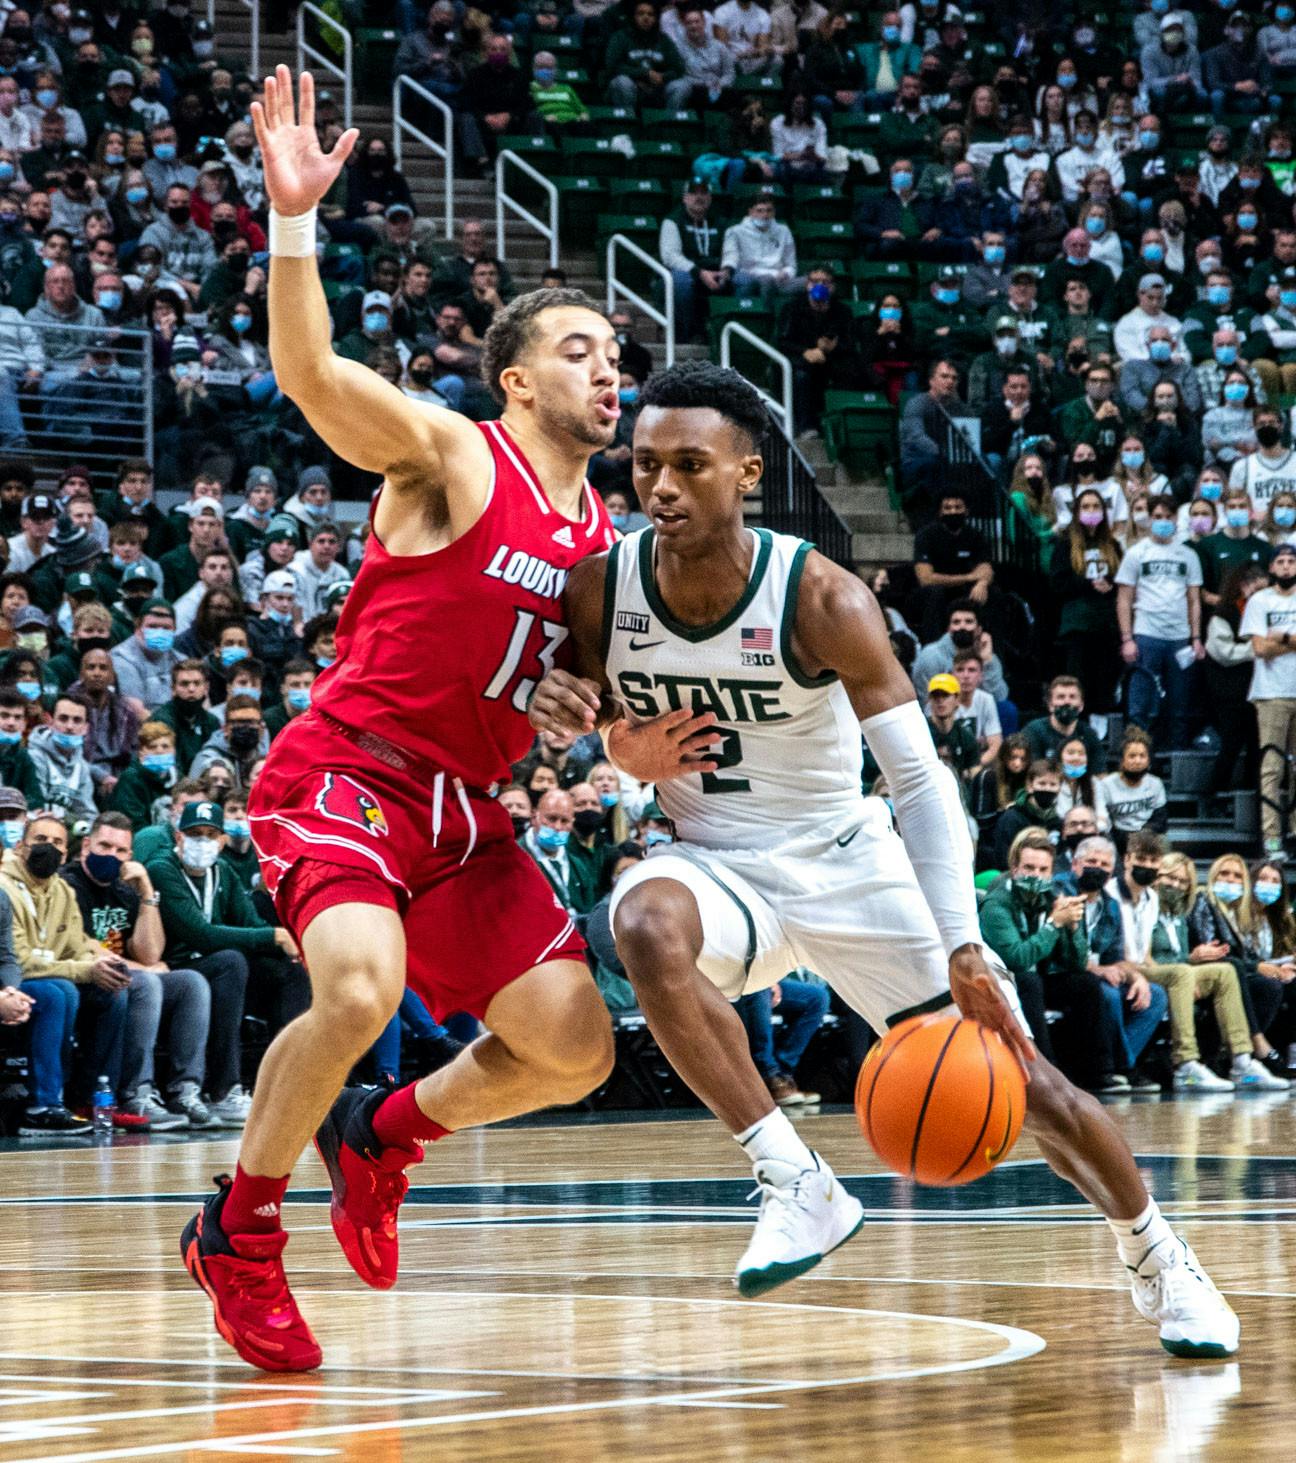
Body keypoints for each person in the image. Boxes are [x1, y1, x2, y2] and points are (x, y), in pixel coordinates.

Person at [529, 359, 1239, 1357]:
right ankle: (794, 1178)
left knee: (1032, 1086)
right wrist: (612, 746)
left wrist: (962, 944)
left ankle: (1160, 1257)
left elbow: (918, 782)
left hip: (845, 858)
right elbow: (579, 717)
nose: (661, 486)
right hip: (713, 865)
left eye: (690, 464)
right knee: (642, 922)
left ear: (746, 471)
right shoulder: (603, 589)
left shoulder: (820, 596)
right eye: (646, 464)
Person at [181, 69, 623, 1376]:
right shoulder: (453, 453)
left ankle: (380, 1135)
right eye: (580, 349)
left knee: (574, 1045)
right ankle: (240, 1230)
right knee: (359, 985)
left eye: (618, 353)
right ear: (516, 376)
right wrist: (295, 220)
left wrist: (573, 698)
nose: (611, 369)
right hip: (349, 777)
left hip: (467, 815)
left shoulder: (604, 538)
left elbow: (565, 693)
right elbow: (308, 370)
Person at [62, 811, 213, 1130]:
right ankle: (136, 1093)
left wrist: (146, 891)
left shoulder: (125, 888)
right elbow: (83, 945)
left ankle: (184, 1091)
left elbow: (151, 951)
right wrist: (144, 968)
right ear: (87, 845)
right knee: (147, 982)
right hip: (85, 977)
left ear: (130, 855)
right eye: (104, 846)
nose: (111, 856)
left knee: (191, 983)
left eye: (120, 851)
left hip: (127, 975)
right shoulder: (69, 883)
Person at [3, 813, 130, 1136]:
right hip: (16, 980)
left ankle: (90, 1098)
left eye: (58, 842)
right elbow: (17, 960)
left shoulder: (62, 890)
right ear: (20, 846)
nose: (50, 849)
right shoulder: (5, 887)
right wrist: (86, 970)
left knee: (113, 991)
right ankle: (43, 1104)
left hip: (51, 975)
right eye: (41, 841)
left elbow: (78, 945)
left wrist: (102, 963)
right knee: (60, 992)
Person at [1055, 834, 1167, 1093]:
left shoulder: (1111, 906)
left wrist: (1137, 977)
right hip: (1068, 974)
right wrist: (1096, 968)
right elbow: (1061, 951)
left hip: (1100, 973)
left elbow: (1116, 958)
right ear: (1075, 864)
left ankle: (1116, 1066)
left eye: (1105, 864)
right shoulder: (1061, 891)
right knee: (1108, 995)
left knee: (1156, 995)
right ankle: (1120, 1068)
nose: (1098, 868)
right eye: (1091, 861)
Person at [1116, 494, 1204, 750]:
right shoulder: (1136, 553)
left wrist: (1196, 638)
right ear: (1149, 519)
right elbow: (1124, 599)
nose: (1163, 521)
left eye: (1168, 517)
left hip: (1179, 638)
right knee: (1139, 705)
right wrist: (1127, 638)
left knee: (1180, 705)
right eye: (1157, 517)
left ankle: (1176, 760)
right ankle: (1136, 757)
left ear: (1177, 519)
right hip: (1146, 634)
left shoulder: (1188, 555)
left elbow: (1194, 600)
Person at [1240, 542, 1296, 855]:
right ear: (1272, 568)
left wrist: (1282, 637)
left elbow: (1271, 641)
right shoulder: (1260, 601)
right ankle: (1273, 840)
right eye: (1281, 561)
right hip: (1271, 694)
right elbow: (1260, 648)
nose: (1287, 566)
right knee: (1272, 769)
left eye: (1292, 560)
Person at [909, 492, 995, 642]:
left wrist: (982, 583)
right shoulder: (926, 535)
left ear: (967, 511)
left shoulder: (976, 536)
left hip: (963, 590)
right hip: (931, 593)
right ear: (940, 511)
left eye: (958, 507)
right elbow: (926, 578)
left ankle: (993, 651)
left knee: (992, 593)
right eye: (947, 508)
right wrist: (969, 577)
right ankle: (933, 648)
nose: (953, 511)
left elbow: (986, 570)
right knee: (935, 593)